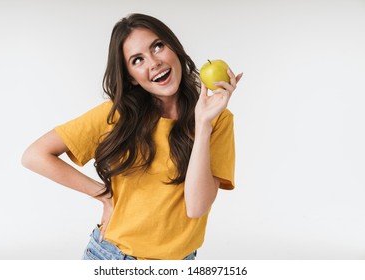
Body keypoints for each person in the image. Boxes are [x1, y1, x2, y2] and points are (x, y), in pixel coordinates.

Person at [21, 13, 243, 260]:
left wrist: (202, 124)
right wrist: (103, 195)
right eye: (138, 60)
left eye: (158, 47)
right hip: (111, 257)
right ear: (131, 78)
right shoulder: (117, 116)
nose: (153, 62)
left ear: (175, 48)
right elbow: (35, 155)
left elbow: (197, 207)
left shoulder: (217, 120)